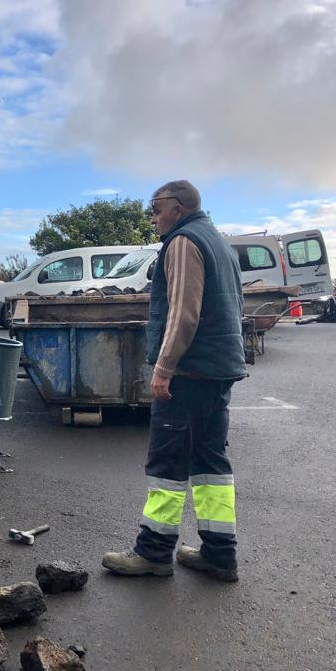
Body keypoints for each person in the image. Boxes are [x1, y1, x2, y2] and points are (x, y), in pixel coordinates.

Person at [102, 180, 245, 583]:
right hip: (218, 370)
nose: (152, 217)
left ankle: (153, 553)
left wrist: (164, 368)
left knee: (167, 464)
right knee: (210, 462)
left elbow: (184, 313)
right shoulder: (216, 240)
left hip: (190, 372)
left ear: (178, 209)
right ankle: (220, 554)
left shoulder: (183, 243)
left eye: (157, 208)